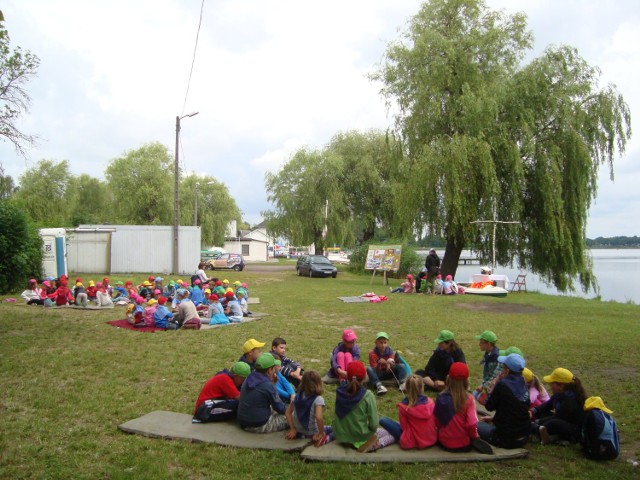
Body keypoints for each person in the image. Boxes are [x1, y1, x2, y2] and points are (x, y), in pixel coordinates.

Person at [333, 360, 395, 452]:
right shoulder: (367, 395)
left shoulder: (339, 391)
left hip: (340, 436)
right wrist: (368, 431)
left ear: (347, 377)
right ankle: (375, 444)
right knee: (392, 434)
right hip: (360, 436)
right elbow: (374, 424)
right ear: (364, 376)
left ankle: (362, 440)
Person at [434, 362, 493, 454]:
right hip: (463, 444)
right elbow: (472, 423)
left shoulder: (440, 397)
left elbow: (437, 421)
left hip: (444, 441)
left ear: (449, 378)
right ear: (466, 381)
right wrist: (475, 437)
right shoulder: (469, 399)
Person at [477, 353, 531, 449]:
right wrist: (494, 418)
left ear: (507, 370)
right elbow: (513, 408)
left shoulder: (502, 385)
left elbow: (489, 406)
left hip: (505, 438)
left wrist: (493, 387)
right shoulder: (523, 383)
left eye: (503, 367)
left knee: (475, 425)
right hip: (524, 436)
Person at [379, 374, 437, 449]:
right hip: (431, 439)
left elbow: (404, 428)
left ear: (406, 388)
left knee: (383, 420)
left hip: (411, 440)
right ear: (422, 388)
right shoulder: (430, 402)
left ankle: (381, 436)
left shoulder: (404, 407)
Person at [531, 367, 587, 445]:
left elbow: (558, 417)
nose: (550, 385)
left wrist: (538, 422)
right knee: (543, 413)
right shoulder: (558, 395)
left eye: (552, 383)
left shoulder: (571, 401)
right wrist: (533, 411)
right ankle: (543, 431)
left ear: (561, 386)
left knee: (553, 423)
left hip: (573, 430)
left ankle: (537, 431)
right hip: (561, 419)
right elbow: (547, 405)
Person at [237, 353, 288, 433]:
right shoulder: (267, 385)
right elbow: (280, 408)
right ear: (269, 370)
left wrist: (272, 384)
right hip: (258, 425)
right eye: (273, 368)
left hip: (243, 421)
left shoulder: (249, 377)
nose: (274, 370)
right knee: (291, 417)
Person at [285, 370, 334, 446]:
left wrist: (293, 429)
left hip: (299, 432)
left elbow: (288, 412)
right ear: (318, 384)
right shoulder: (318, 399)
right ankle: (325, 439)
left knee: (326, 428)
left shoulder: (297, 397)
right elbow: (319, 418)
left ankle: (304, 435)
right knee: (337, 430)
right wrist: (320, 433)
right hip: (312, 433)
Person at [473, 330, 501, 405]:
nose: (479, 344)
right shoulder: (488, 353)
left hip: (493, 387)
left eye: (481, 342)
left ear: (488, 344)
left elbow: (494, 376)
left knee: (477, 398)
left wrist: (483, 386)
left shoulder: (495, 357)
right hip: (487, 384)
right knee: (474, 395)